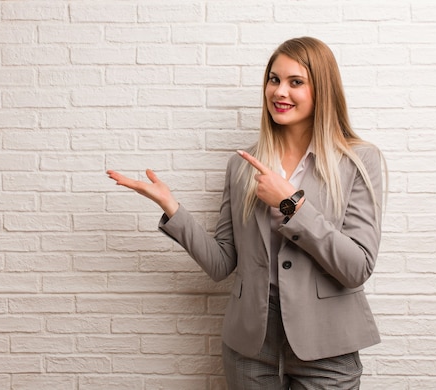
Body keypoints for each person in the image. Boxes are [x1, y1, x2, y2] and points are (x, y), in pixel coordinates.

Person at [107, 36, 385, 390]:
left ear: (322, 89)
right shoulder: (241, 168)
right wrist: (171, 207)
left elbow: (357, 268)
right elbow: (222, 264)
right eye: (274, 79)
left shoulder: (358, 162)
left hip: (327, 346)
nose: (279, 92)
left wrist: (291, 205)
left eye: (295, 82)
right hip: (252, 347)